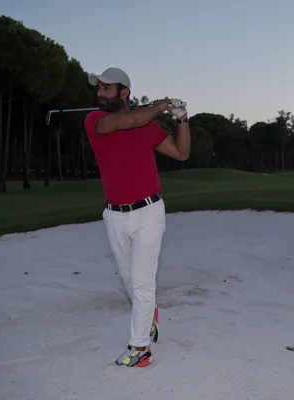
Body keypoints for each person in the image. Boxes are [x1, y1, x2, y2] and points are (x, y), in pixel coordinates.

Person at [83, 67, 190, 367]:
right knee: (131, 282)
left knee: (142, 283)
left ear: (124, 92)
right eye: (98, 88)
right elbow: (128, 120)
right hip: (115, 216)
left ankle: (140, 349)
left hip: (149, 212)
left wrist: (181, 118)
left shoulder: (148, 126)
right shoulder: (96, 120)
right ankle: (149, 315)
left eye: (106, 88)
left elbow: (182, 153)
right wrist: (158, 107)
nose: (99, 93)